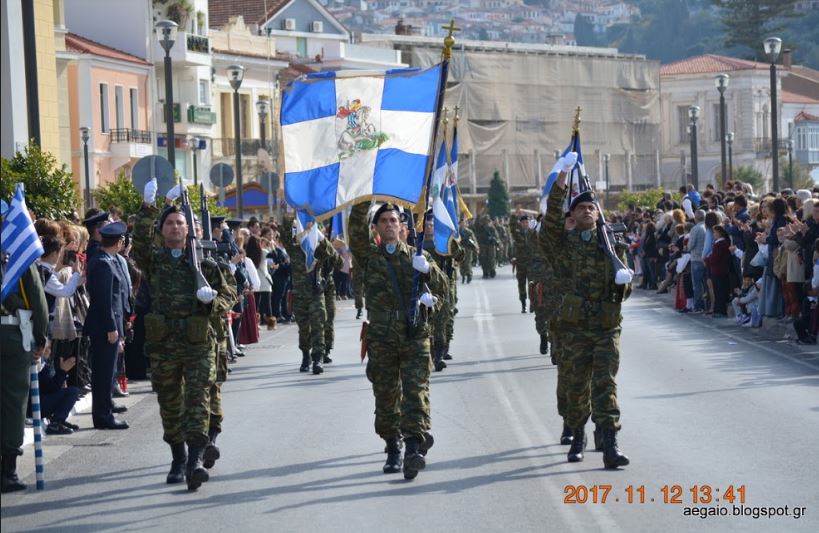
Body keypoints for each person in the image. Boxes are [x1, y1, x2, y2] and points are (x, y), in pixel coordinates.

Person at [132, 179, 235, 491]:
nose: (176, 227)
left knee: (198, 400)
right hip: (164, 343)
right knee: (169, 403)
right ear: (163, 231)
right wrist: (149, 208)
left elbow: (230, 293)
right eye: (171, 223)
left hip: (198, 341)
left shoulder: (205, 261)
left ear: (190, 229)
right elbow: (138, 244)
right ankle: (177, 456)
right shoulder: (155, 261)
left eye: (181, 223)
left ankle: (194, 460)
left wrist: (212, 300)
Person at [539, 152, 632, 469]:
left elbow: (625, 286)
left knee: (605, 385)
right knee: (576, 387)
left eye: (592, 207)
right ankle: (577, 437)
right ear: (574, 215)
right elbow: (551, 220)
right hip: (575, 329)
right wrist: (563, 177)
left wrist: (623, 281)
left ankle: (610, 444)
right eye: (581, 208)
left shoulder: (610, 243)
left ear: (598, 213)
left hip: (606, 326)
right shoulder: (562, 243)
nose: (588, 211)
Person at [349, 201, 448, 479]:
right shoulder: (370, 256)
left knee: (415, 391)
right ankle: (393, 446)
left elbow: (443, 291)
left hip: (415, 334)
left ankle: (413, 448)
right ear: (377, 228)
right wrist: (363, 198)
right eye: (384, 221)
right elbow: (356, 231)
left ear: (403, 226)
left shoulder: (416, 257)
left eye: (394, 221)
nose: (390, 225)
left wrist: (428, 273)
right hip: (381, 336)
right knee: (386, 393)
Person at [83, 221, 131, 430]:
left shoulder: (106, 260)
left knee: (107, 371)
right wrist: (112, 327)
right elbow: (104, 299)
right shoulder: (103, 262)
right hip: (105, 326)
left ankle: (106, 410)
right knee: (103, 373)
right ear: (119, 242)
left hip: (109, 325)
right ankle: (103, 417)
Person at [280, 216, 336, 374]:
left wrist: (320, 237)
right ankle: (306, 355)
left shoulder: (318, 249)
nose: (306, 231)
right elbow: (284, 234)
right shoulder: (294, 248)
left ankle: (317, 357)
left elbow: (332, 254)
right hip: (299, 295)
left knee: (318, 326)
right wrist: (289, 215)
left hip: (316, 293)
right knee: (304, 328)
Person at [510, 212, 535, 313]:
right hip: (521, 264)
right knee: (521, 285)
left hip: (531, 263)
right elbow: (511, 228)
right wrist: (513, 216)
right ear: (520, 223)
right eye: (523, 222)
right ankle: (523, 304)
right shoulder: (517, 233)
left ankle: (532, 303)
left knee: (531, 284)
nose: (525, 224)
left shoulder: (533, 233)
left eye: (527, 222)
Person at [458, 218, 479, 284]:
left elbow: (474, 240)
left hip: (468, 249)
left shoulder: (469, 232)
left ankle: (469, 274)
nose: (462, 224)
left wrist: (476, 247)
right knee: (461, 263)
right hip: (460, 249)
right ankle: (463, 275)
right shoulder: (457, 232)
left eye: (464, 223)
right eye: (461, 223)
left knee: (468, 262)